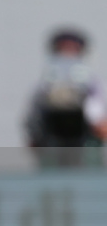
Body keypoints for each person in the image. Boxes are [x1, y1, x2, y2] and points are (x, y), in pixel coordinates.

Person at [25, 29, 107, 166]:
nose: (67, 54)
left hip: (86, 151)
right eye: (62, 49)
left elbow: (101, 125)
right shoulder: (44, 86)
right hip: (52, 148)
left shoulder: (93, 85)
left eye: (72, 49)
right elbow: (33, 121)